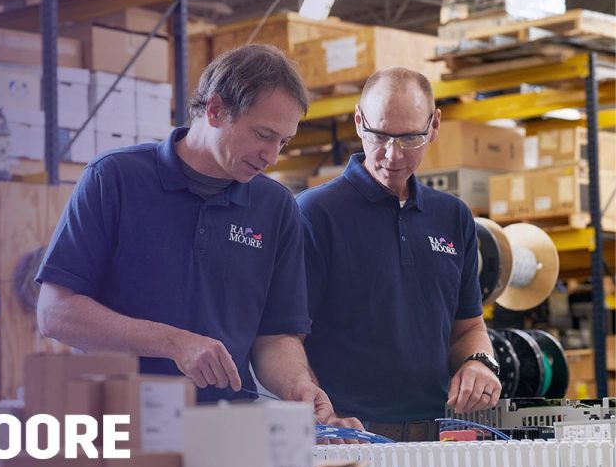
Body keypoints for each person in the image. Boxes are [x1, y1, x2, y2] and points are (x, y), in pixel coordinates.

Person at [35, 44, 356, 426]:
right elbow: (55, 312)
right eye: (263, 135)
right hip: (120, 422)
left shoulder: (276, 208)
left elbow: (275, 336)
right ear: (216, 110)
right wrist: (175, 343)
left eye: (282, 142)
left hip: (225, 428)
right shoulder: (115, 179)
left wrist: (298, 386)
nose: (272, 156)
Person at [295, 67, 501, 441]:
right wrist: (320, 416)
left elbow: (468, 327)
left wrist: (479, 363)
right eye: (379, 135)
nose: (393, 155)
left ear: (434, 125)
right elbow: (287, 338)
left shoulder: (453, 217)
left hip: (436, 440)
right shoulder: (313, 215)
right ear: (359, 121)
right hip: (346, 439)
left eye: (410, 138)